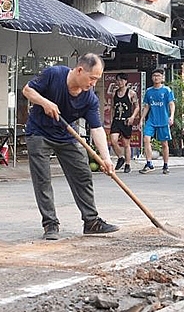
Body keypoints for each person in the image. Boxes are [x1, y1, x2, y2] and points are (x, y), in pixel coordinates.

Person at [22, 53, 120, 240]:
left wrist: (106, 158)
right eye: (92, 78)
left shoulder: (89, 98)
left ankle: (91, 222)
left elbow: (97, 129)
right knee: (43, 179)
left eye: (96, 80)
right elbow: (27, 90)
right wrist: (44, 102)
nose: (93, 83)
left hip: (67, 136)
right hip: (39, 133)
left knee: (83, 174)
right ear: (80, 70)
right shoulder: (54, 74)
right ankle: (50, 224)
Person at [140, 67, 175, 175]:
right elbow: (146, 106)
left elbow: (171, 104)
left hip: (163, 120)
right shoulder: (149, 91)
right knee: (146, 139)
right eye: (154, 76)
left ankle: (165, 165)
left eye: (158, 76)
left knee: (164, 143)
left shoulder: (167, 90)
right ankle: (149, 163)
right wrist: (141, 119)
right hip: (151, 120)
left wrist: (171, 116)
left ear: (162, 78)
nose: (156, 78)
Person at [109, 73, 140, 174]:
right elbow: (113, 107)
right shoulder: (115, 93)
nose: (120, 82)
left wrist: (132, 117)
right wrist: (111, 119)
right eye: (118, 80)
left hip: (126, 120)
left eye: (122, 80)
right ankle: (120, 157)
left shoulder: (131, 93)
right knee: (113, 140)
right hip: (117, 119)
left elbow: (137, 107)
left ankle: (127, 164)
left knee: (126, 143)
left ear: (126, 81)